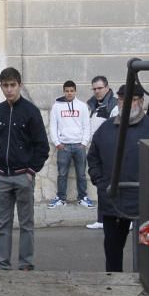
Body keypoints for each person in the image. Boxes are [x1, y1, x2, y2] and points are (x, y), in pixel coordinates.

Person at [87, 84, 149, 272]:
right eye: (122, 99)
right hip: (113, 202)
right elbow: (93, 157)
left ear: (141, 101)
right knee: (112, 251)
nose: (126, 103)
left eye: (132, 99)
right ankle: (113, 286)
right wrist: (100, 180)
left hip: (146, 202)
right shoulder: (105, 129)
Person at [0, 67, 49, 270]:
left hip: (23, 176)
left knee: (26, 225)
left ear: (19, 85)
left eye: (12, 85)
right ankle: (1, 264)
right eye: (5, 86)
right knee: (2, 225)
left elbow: (42, 146)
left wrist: (31, 171)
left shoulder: (31, 112)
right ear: (1, 86)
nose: (9, 90)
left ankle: (25, 264)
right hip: (1, 178)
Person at [48, 80, 92, 209]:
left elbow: (86, 126)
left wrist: (84, 143)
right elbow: (53, 126)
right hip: (64, 146)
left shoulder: (82, 106)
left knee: (81, 174)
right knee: (62, 174)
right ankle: (61, 198)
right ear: (64, 91)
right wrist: (57, 143)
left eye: (71, 91)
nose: (69, 93)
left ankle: (82, 198)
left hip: (79, 145)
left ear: (75, 91)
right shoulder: (56, 106)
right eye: (67, 91)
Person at [85, 76, 116, 229]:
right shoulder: (91, 105)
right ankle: (101, 219)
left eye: (100, 88)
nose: (97, 91)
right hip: (96, 149)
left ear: (107, 88)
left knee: (110, 185)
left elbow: (114, 129)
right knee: (100, 185)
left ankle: (122, 219)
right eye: (94, 88)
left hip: (108, 150)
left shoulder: (114, 105)